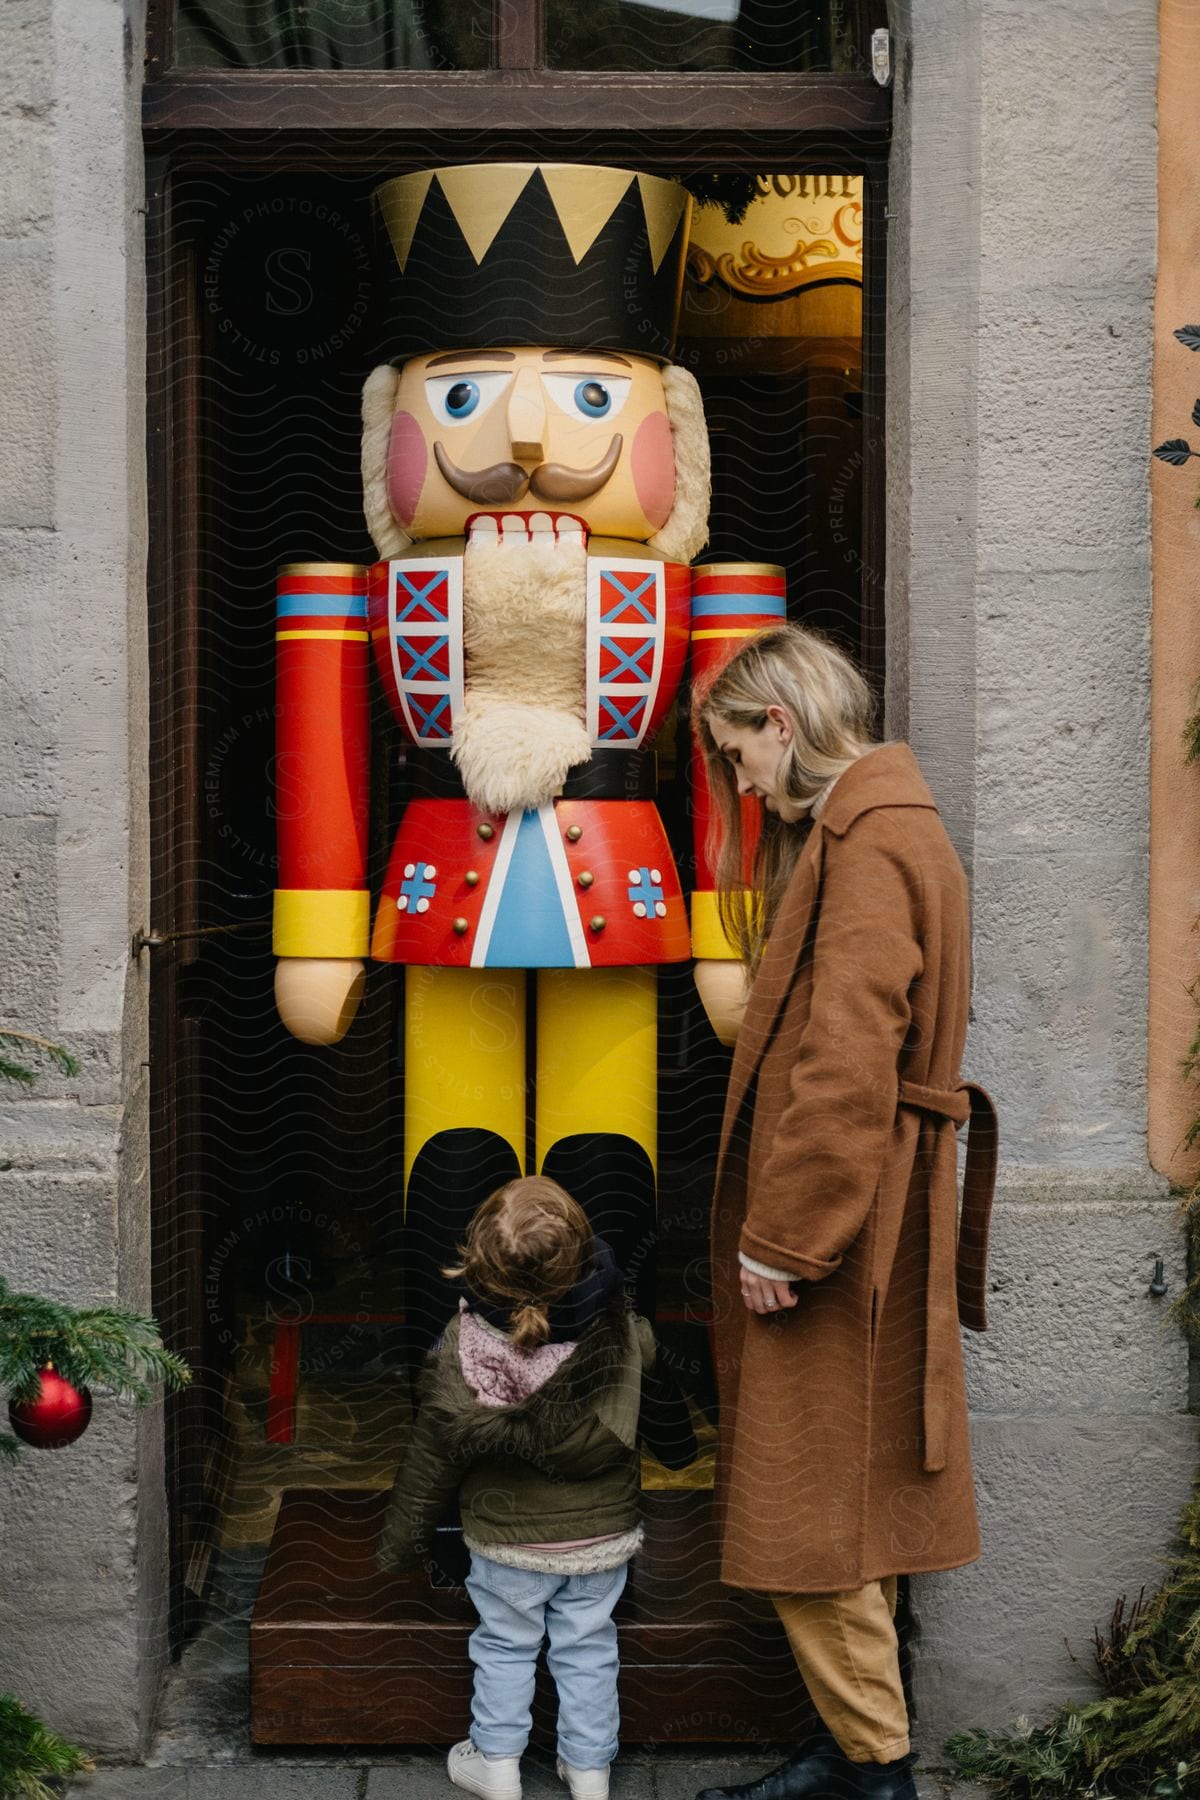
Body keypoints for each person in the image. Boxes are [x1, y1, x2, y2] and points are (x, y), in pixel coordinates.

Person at [691, 624, 997, 1800]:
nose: (739, 781)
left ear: (782, 723)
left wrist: (787, 1236)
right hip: (879, 1208)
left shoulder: (868, 842)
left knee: (809, 1503)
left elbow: (845, 1058)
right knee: (845, 1489)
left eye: (737, 753)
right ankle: (849, 1745)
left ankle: (875, 1768)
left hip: (845, 1226)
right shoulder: (891, 824)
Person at [377, 1175, 677, 1800]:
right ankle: (590, 1771)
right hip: (602, 1537)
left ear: (478, 1266)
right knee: (590, 1647)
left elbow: (430, 1459)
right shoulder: (625, 1333)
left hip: (506, 1541)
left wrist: (401, 1548)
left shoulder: (458, 1350)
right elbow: (664, 1409)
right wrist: (682, 1454)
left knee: (505, 1646)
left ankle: (498, 1765)